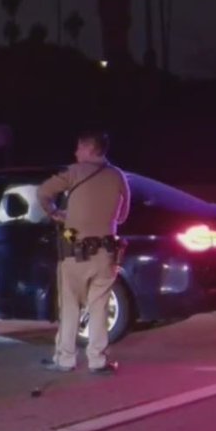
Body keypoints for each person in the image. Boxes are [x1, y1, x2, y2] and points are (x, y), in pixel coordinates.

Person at [36, 131, 130, 375]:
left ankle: (65, 359)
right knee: (99, 306)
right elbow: (122, 215)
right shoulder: (118, 175)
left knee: (69, 305)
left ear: (90, 149)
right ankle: (97, 360)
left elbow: (43, 192)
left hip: (75, 252)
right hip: (106, 253)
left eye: (79, 148)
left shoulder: (74, 172)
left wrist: (55, 212)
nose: (76, 153)